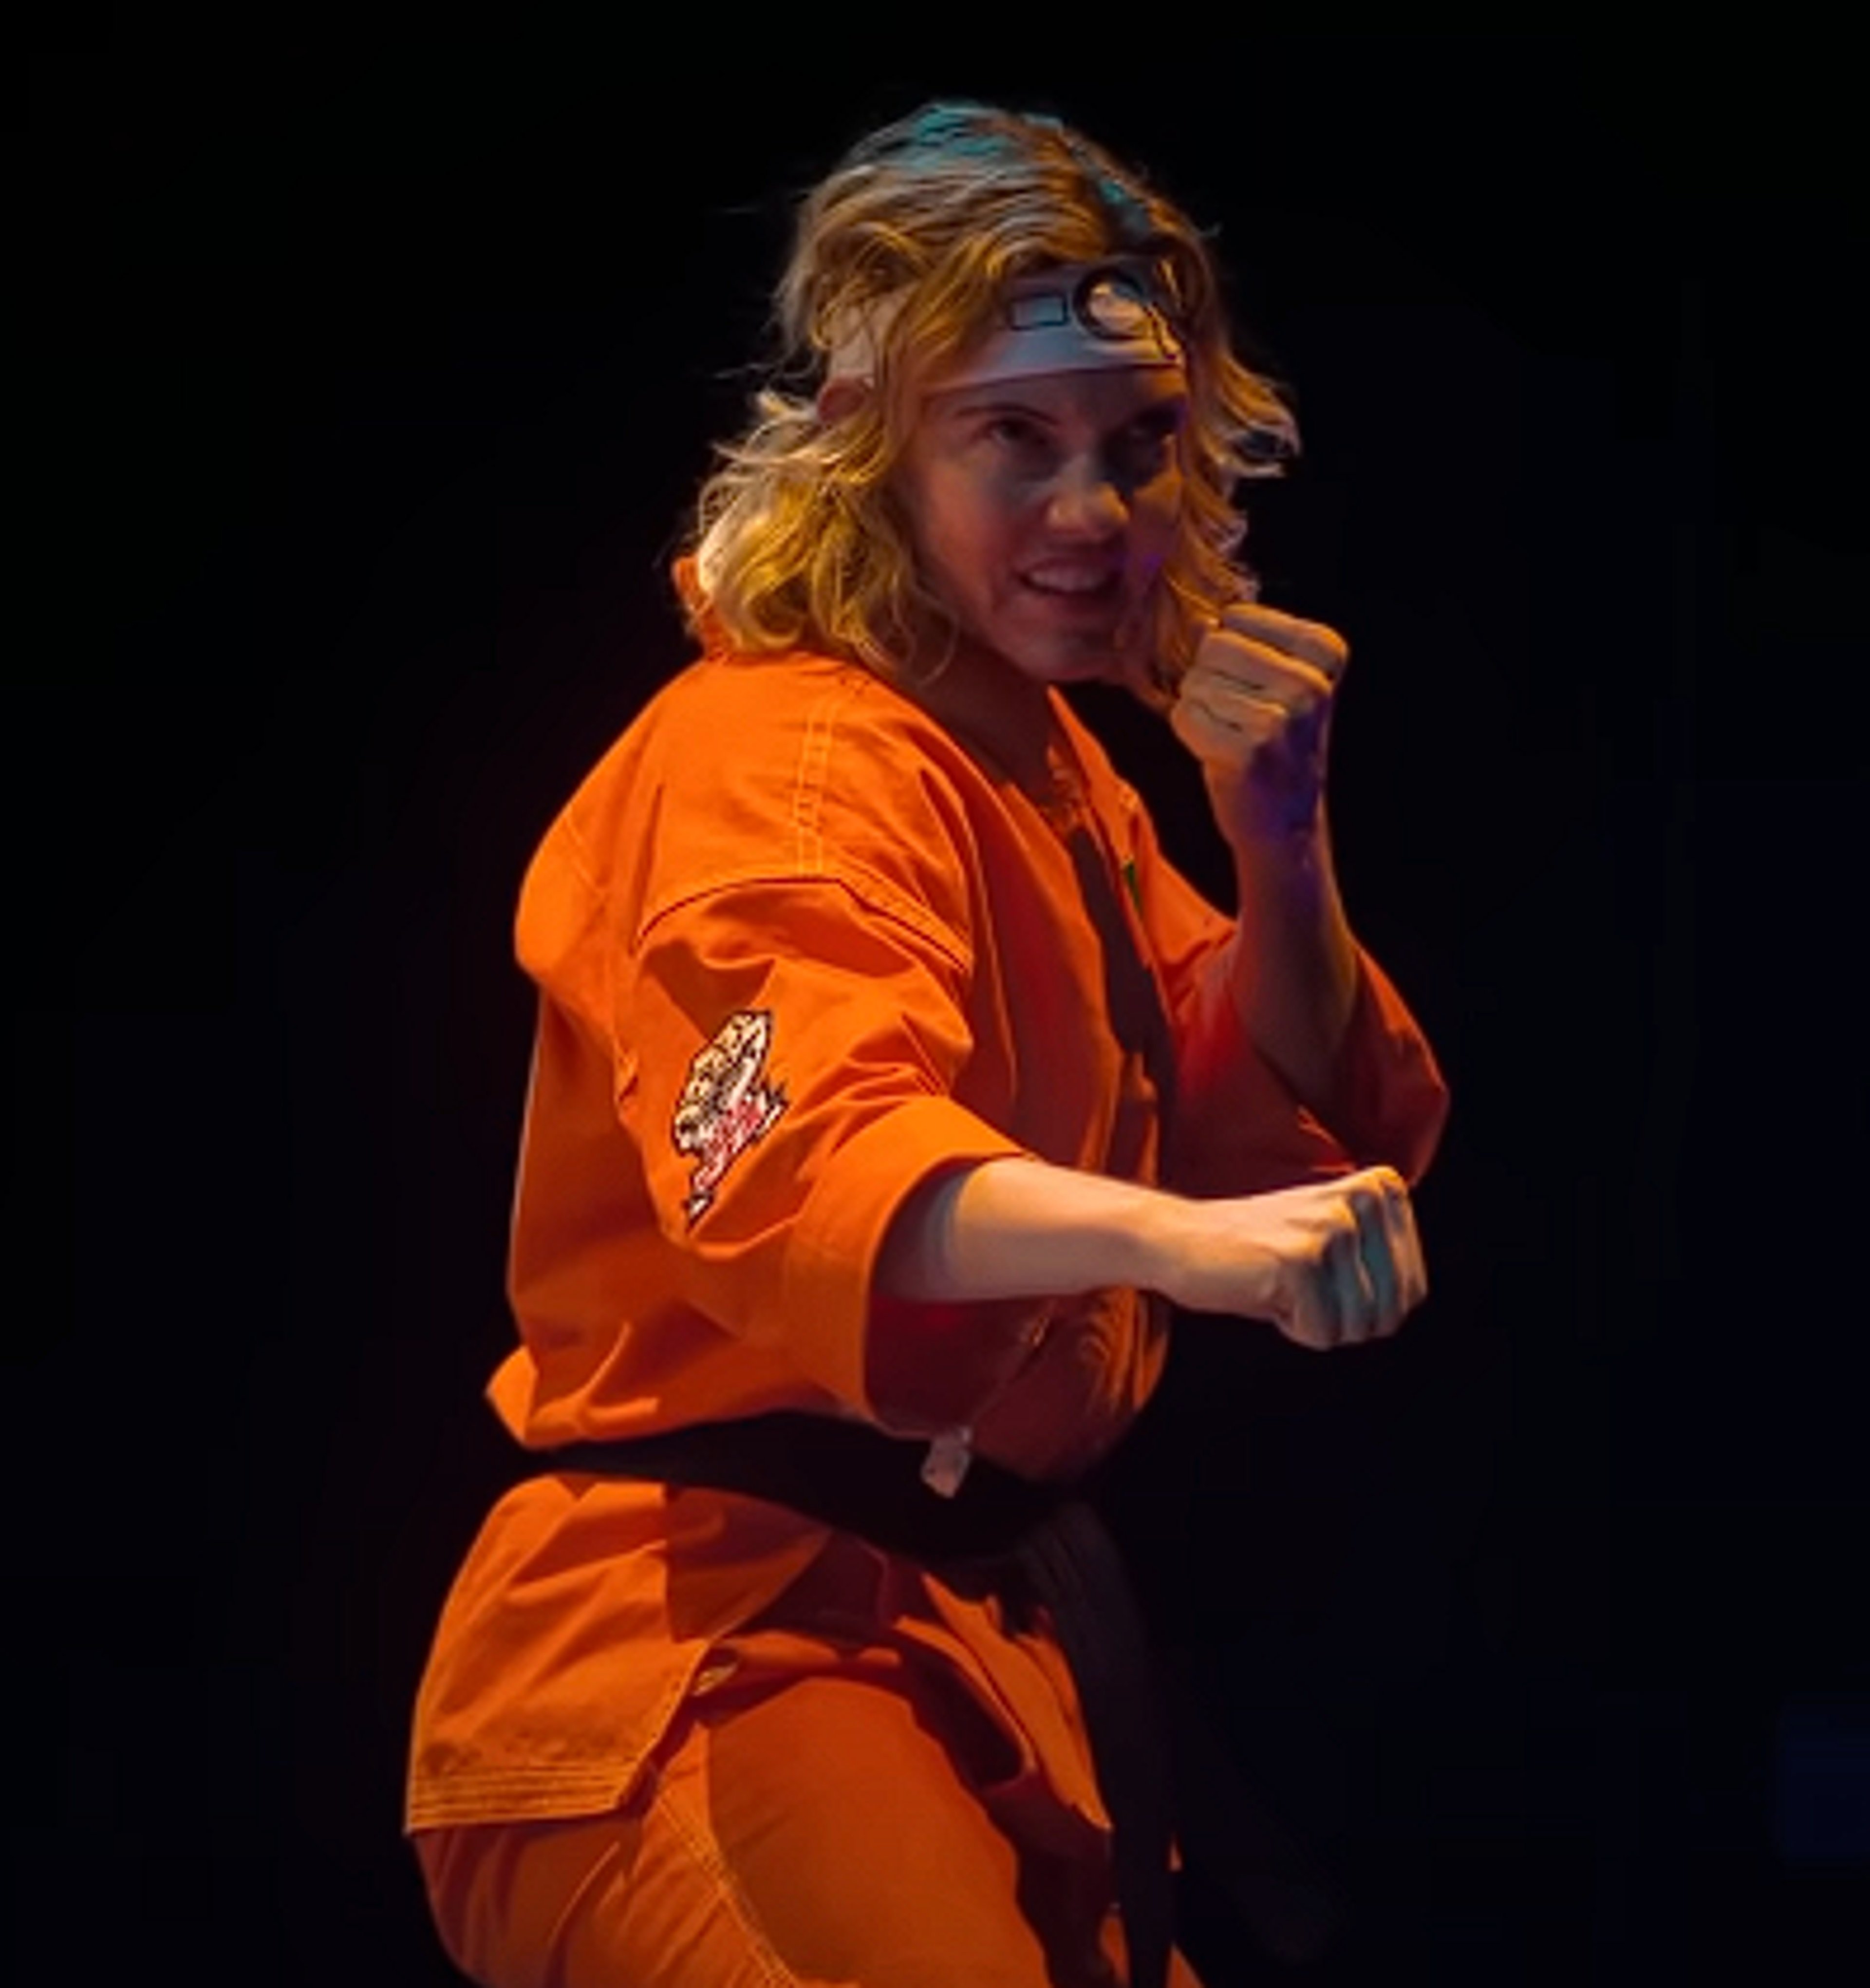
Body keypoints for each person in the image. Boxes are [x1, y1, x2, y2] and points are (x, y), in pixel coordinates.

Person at [406, 99, 1449, 1988]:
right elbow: (826, 1168)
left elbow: (1261, 1113)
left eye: (1138, 444)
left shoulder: (1039, 769)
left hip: (956, 1660)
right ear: (869, 442)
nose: (1092, 514)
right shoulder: (785, 760)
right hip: (702, 1665)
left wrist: (1279, 841)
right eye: (1014, 439)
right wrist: (1191, 1248)